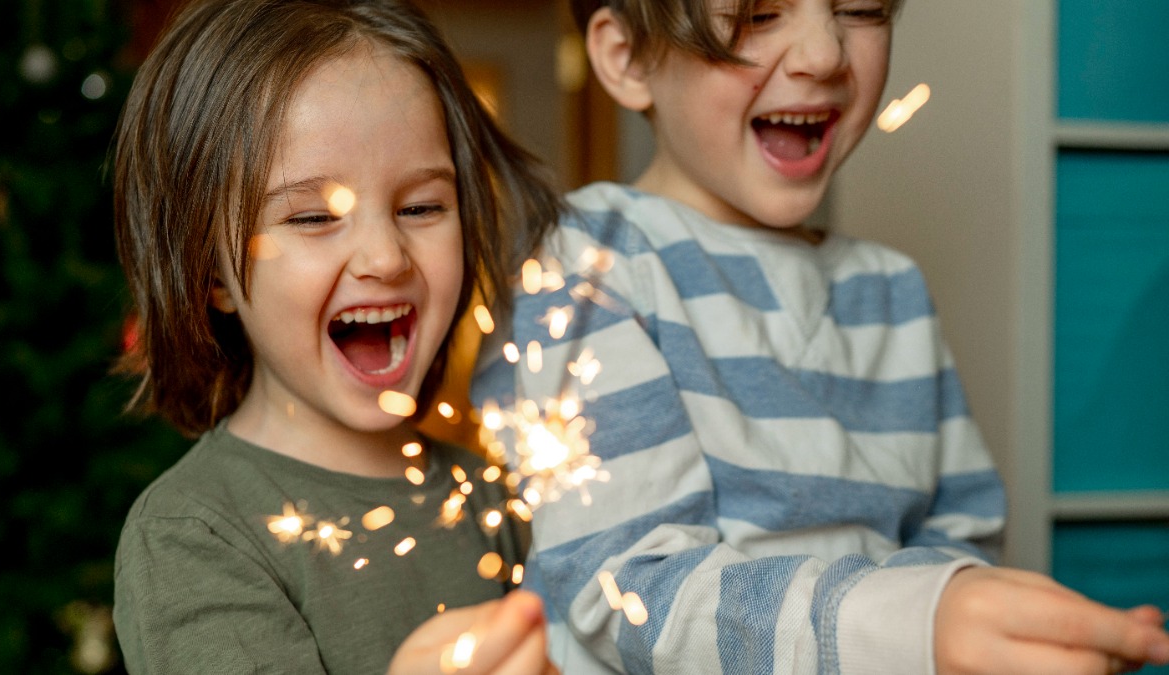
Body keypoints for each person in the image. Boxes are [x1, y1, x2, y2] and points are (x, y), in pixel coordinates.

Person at [472, 0, 1169, 672]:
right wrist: (909, 626)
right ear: (627, 57)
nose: (825, 54)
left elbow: (962, 534)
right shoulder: (584, 267)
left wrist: (972, 622)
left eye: (861, 10)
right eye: (759, 13)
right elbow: (631, 589)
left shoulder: (892, 290)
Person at [108, 0, 564, 672]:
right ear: (214, 273)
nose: (385, 256)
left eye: (421, 207)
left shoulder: (494, 496)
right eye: (315, 216)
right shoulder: (194, 534)